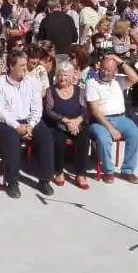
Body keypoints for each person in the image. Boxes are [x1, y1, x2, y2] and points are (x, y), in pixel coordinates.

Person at [0, 52, 54, 198]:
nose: (26, 68)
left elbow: (37, 107)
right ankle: (12, 182)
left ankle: (44, 180)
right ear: (11, 66)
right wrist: (17, 127)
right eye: (21, 65)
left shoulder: (32, 82)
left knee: (46, 137)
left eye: (26, 65)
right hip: (9, 122)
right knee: (11, 140)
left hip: (30, 120)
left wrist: (31, 125)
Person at [86, 55, 138, 184]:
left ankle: (128, 170)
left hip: (120, 118)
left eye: (109, 71)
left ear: (115, 71)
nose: (105, 72)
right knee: (103, 138)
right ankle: (108, 171)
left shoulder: (118, 81)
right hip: (100, 120)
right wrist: (111, 129)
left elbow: (135, 78)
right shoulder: (92, 82)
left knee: (136, 134)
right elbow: (95, 110)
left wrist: (120, 61)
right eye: (103, 69)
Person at [43, 59, 92, 189]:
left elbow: (84, 109)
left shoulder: (79, 90)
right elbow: (49, 110)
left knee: (83, 139)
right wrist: (65, 121)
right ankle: (59, 172)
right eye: (60, 74)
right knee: (58, 140)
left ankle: (80, 173)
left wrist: (76, 121)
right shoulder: (50, 91)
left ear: (71, 76)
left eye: (65, 75)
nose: (62, 78)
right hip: (58, 123)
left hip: (77, 123)